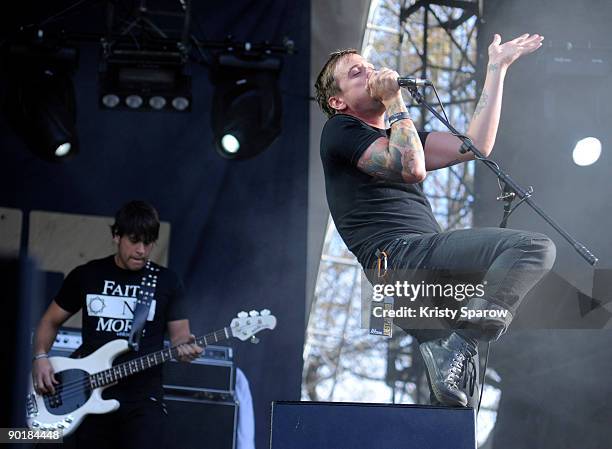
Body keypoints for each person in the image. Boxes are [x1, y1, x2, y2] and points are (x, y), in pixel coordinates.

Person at [315, 34, 556, 407]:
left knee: (457, 397)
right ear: (338, 101)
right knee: (532, 248)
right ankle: (461, 342)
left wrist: (497, 68)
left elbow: (476, 145)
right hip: (398, 261)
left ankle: (456, 350)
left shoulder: (401, 134)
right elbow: (411, 168)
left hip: (414, 277)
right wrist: (395, 100)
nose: (372, 72)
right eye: (357, 72)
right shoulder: (340, 130)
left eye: (371, 66)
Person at [31, 200, 202, 448]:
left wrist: (187, 349)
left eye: (148, 242)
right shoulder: (87, 275)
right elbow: (49, 320)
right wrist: (39, 357)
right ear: (116, 235)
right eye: (134, 240)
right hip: (87, 393)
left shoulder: (167, 281)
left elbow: (180, 338)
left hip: (143, 398)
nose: (142, 250)